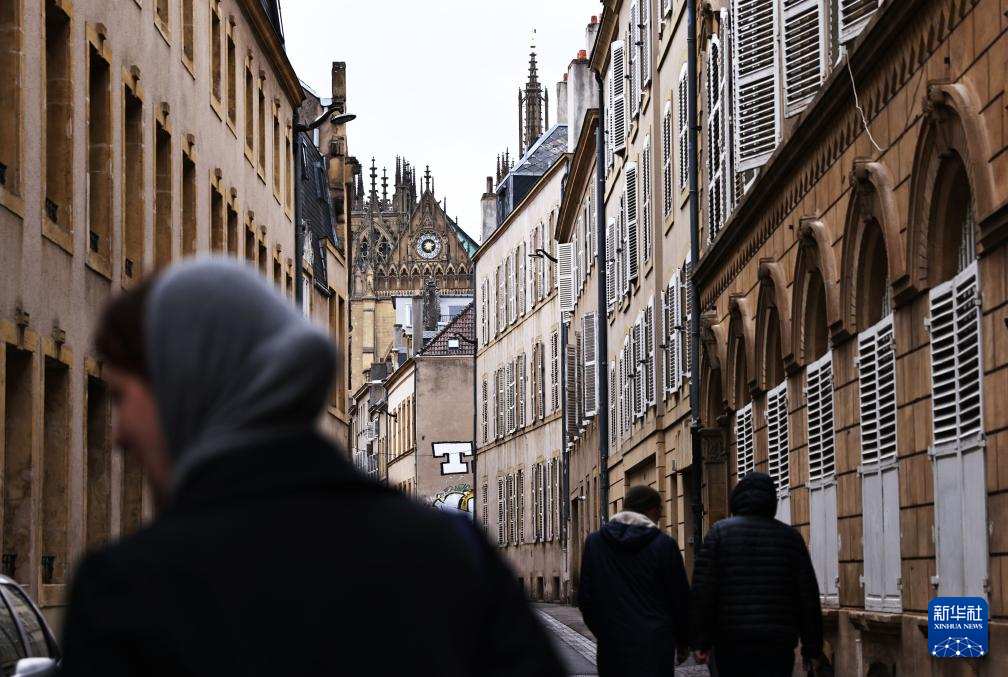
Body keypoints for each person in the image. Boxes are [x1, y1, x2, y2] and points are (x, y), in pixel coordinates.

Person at [60, 259, 565, 677]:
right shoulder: (454, 558)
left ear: (183, 387)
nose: (119, 432)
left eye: (121, 396)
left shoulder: (130, 592)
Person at [691, 472, 823, 677]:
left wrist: (701, 640)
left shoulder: (719, 533)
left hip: (730, 642)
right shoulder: (790, 538)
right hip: (777, 643)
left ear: (737, 499)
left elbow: (703, 591)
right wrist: (812, 648)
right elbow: (807, 597)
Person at [577, 485, 691, 677]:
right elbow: (679, 600)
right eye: (660, 510)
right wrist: (683, 641)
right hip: (655, 647)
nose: (660, 516)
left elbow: (586, 599)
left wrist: (605, 632)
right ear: (651, 509)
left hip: (613, 647)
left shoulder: (595, 543)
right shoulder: (664, 545)